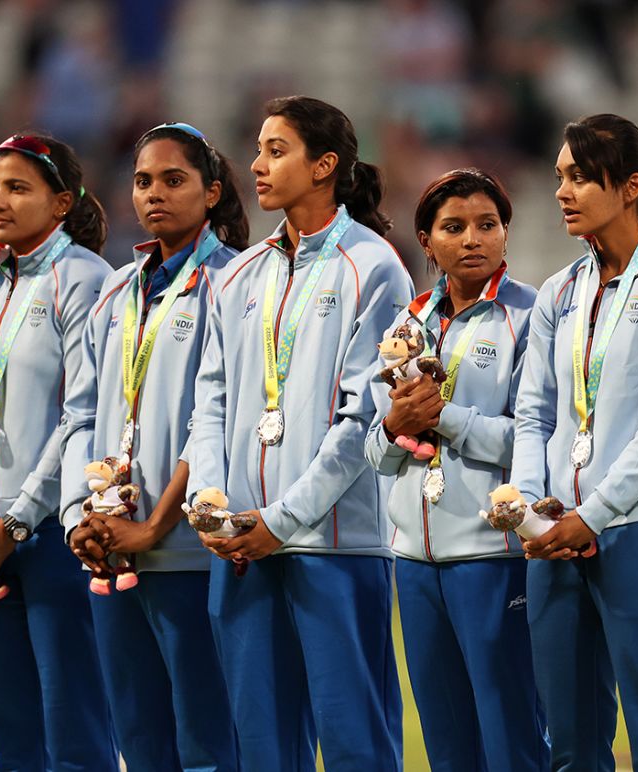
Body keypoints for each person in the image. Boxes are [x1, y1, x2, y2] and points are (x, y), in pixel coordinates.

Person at [186, 95, 411, 771]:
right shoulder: (241, 274)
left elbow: (361, 416)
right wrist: (209, 500)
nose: (256, 165)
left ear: (325, 167)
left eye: (276, 150)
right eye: (257, 149)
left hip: (334, 545)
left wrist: (283, 518)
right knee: (262, 748)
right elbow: (211, 400)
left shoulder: (374, 268)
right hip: (243, 545)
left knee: (354, 747)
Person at [511, 114, 638, 770]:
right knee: (570, 746)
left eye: (578, 178)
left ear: (629, 187)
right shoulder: (557, 292)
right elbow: (534, 414)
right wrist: (534, 513)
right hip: (554, 538)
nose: (563, 191)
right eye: (559, 177)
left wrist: (589, 516)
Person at [60, 122, 248, 771]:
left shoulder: (234, 284)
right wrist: (79, 521)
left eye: (174, 180)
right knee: (138, 746)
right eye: (144, 181)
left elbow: (213, 418)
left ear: (213, 191)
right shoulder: (115, 290)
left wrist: (155, 526)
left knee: (208, 745)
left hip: (192, 553)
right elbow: (79, 415)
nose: (154, 194)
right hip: (114, 548)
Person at [0, 133, 114, 770]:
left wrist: (13, 523)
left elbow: (80, 415)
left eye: (17, 187)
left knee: (76, 737)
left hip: (53, 536)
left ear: (61, 202)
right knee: (10, 744)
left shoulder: (87, 280)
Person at [365, 168, 547, 771]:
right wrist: (395, 427)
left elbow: (532, 438)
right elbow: (378, 452)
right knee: (445, 743)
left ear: (504, 233)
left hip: (494, 556)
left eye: (487, 225)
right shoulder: (406, 326)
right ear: (426, 239)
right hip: (414, 561)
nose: (473, 239)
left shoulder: (532, 316)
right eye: (454, 227)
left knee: (510, 732)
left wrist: (446, 418)